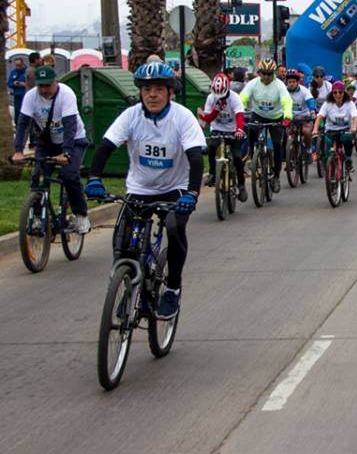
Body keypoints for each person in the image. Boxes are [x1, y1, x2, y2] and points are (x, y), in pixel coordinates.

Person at [84, 62, 205, 320]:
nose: (152, 94)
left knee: (174, 228)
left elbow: (195, 158)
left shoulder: (182, 117)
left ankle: (172, 288)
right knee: (123, 241)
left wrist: (192, 194)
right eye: (147, 89)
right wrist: (94, 178)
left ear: (170, 92)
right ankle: (126, 287)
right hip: (140, 188)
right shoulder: (131, 116)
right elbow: (105, 147)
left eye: (159, 89)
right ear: (140, 92)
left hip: (176, 189)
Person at [12, 66, 90, 234]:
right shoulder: (30, 97)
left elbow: (70, 126)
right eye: (41, 86)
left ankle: (81, 216)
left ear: (56, 82)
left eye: (48, 85)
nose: (44, 90)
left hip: (73, 141)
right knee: (38, 176)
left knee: (69, 176)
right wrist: (18, 150)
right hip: (47, 142)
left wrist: (67, 153)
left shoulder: (66, 94)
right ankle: (38, 217)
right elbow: (23, 124)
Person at [240, 59, 292, 187]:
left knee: (276, 144)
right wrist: (240, 110)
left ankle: (276, 176)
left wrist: (287, 115)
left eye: (270, 74)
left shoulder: (279, 85)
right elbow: (243, 97)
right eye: (264, 73)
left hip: (276, 117)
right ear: (259, 73)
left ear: (273, 73)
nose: (267, 76)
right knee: (251, 132)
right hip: (258, 115)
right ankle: (253, 156)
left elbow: (286, 101)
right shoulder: (253, 84)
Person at [196, 72, 247, 202]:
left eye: (222, 95)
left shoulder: (235, 98)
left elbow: (240, 116)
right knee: (212, 146)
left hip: (233, 130)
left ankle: (241, 185)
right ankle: (213, 174)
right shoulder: (211, 98)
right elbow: (208, 118)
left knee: (237, 156)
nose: (220, 98)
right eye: (217, 95)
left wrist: (239, 130)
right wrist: (214, 111)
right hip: (217, 129)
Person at [314, 80, 357, 171]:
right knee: (328, 151)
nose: (337, 95)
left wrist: (354, 127)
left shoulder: (349, 104)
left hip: (345, 129)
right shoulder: (327, 104)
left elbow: (355, 117)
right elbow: (320, 117)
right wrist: (315, 129)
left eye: (340, 92)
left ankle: (348, 159)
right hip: (331, 130)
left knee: (347, 139)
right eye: (335, 92)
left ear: (344, 93)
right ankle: (330, 170)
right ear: (332, 93)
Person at [285, 68, 317, 149]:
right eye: (289, 82)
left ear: (298, 82)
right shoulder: (284, 91)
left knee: (306, 132)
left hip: (305, 117)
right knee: (289, 132)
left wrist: (312, 111)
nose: (291, 84)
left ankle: (308, 150)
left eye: (294, 82)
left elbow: (310, 101)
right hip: (291, 118)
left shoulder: (304, 90)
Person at [7, 57, 28, 122]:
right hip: (17, 96)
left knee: (26, 113)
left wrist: (24, 84)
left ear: (22, 63)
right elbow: (9, 83)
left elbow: (33, 84)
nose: (18, 67)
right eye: (16, 65)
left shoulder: (27, 71)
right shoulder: (13, 72)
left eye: (19, 65)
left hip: (26, 96)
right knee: (17, 114)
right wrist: (14, 83)